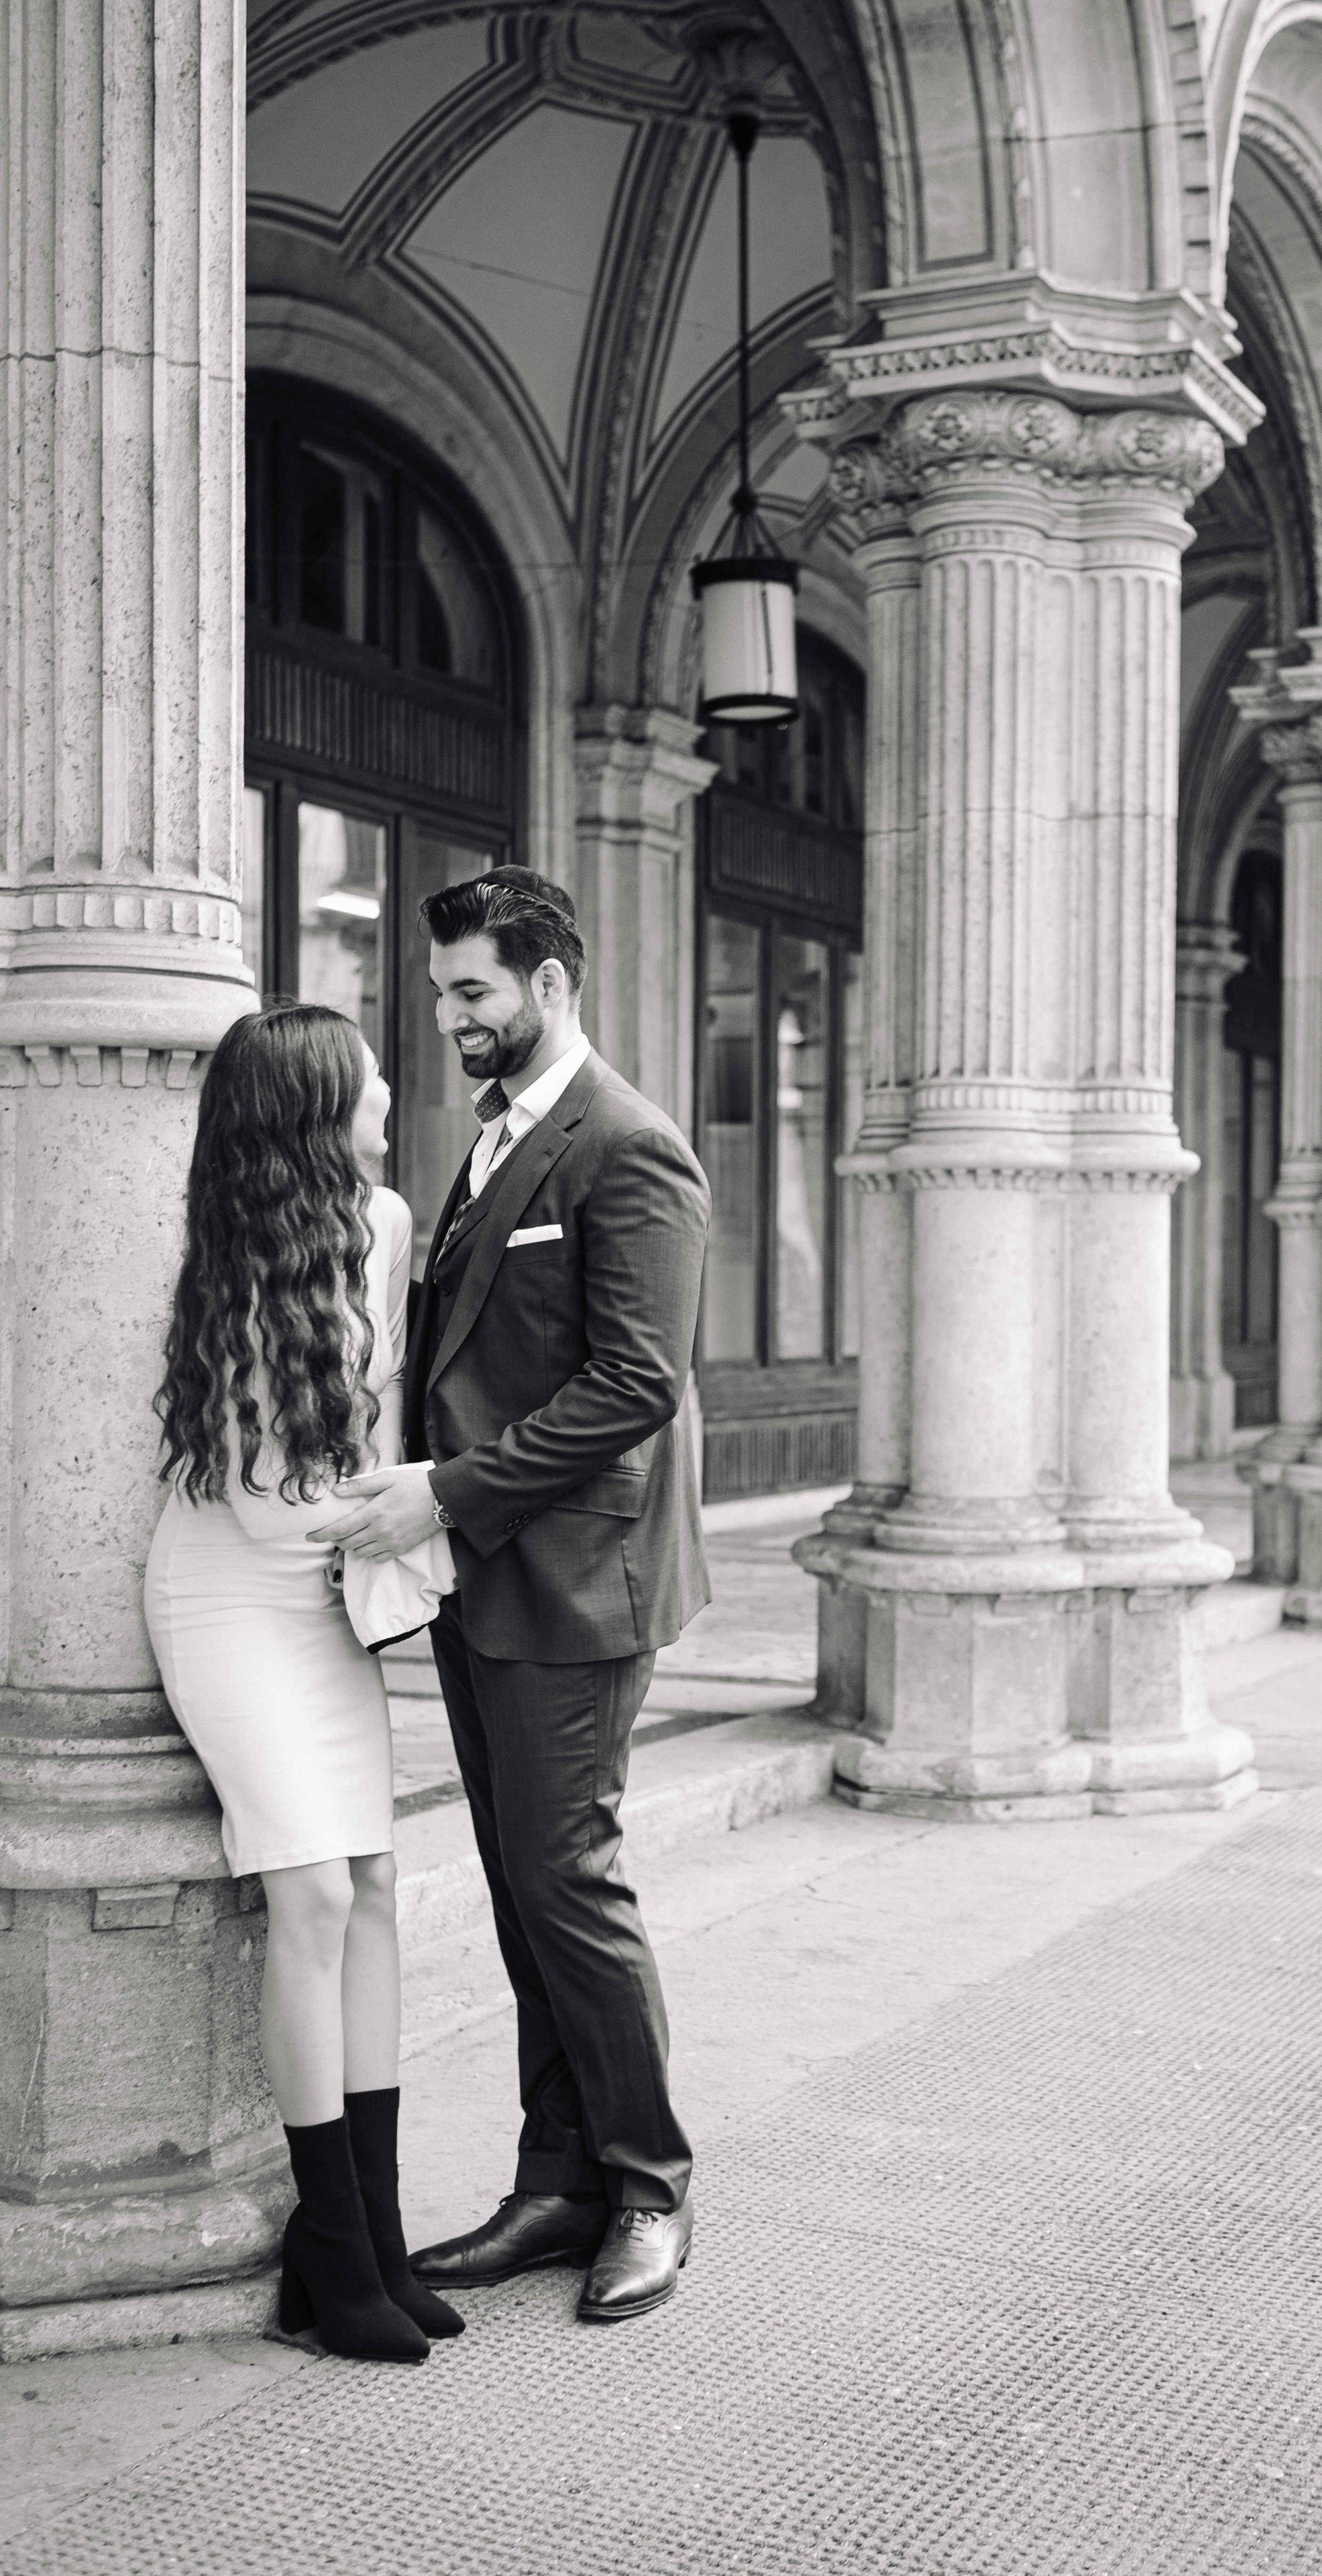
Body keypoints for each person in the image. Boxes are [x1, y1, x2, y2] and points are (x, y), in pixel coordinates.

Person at [315, 868, 710, 2324]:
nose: (450, 1018)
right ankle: (559, 2185)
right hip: (489, 1577)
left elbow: (633, 1385)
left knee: (570, 1884)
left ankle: (652, 2185)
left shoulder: (630, 1147)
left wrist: (443, 1491)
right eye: (440, 994)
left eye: (472, 991)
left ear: (551, 985)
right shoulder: (491, 1142)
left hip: (579, 1578)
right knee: (521, 1889)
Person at [146, 1004, 462, 2365]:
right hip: (219, 1592)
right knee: (314, 1890)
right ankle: (326, 2250)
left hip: (322, 1594)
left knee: (380, 1886)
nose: (393, 1091)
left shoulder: (382, 1226)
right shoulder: (193, 1238)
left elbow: (372, 1422)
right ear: (310, 1109)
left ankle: (373, 2235)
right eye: (369, 1079)